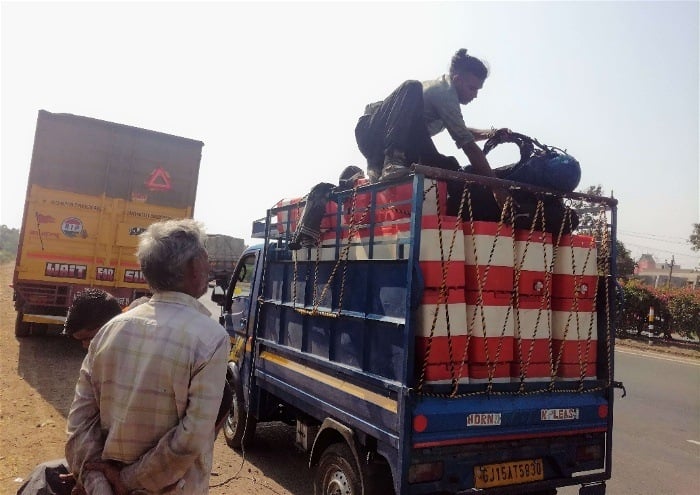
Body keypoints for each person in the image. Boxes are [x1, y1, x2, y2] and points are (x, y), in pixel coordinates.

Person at [64, 219, 230, 495]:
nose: (209, 264)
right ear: (192, 266)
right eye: (204, 256)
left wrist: (102, 483)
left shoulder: (109, 330)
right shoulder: (210, 338)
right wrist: (129, 480)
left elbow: (79, 424)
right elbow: (191, 439)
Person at [17, 289, 123, 495]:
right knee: (43, 476)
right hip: (100, 469)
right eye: (81, 341)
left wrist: (92, 478)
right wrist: (84, 474)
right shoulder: (98, 361)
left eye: (89, 338)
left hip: (128, 474)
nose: (86, 346)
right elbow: (82, 429)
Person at [355, 48, 508, 187]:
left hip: (397, 140)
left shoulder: (447, 105)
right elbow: (468, 145)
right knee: (412, 87)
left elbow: (462, 132)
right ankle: (391, 163)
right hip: (371, 132)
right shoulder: (444, 93)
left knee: (448, 166)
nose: (475, 95)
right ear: (457, 80)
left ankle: (383, 164)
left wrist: (492, 133)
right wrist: (497, 187)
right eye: (472, 88)